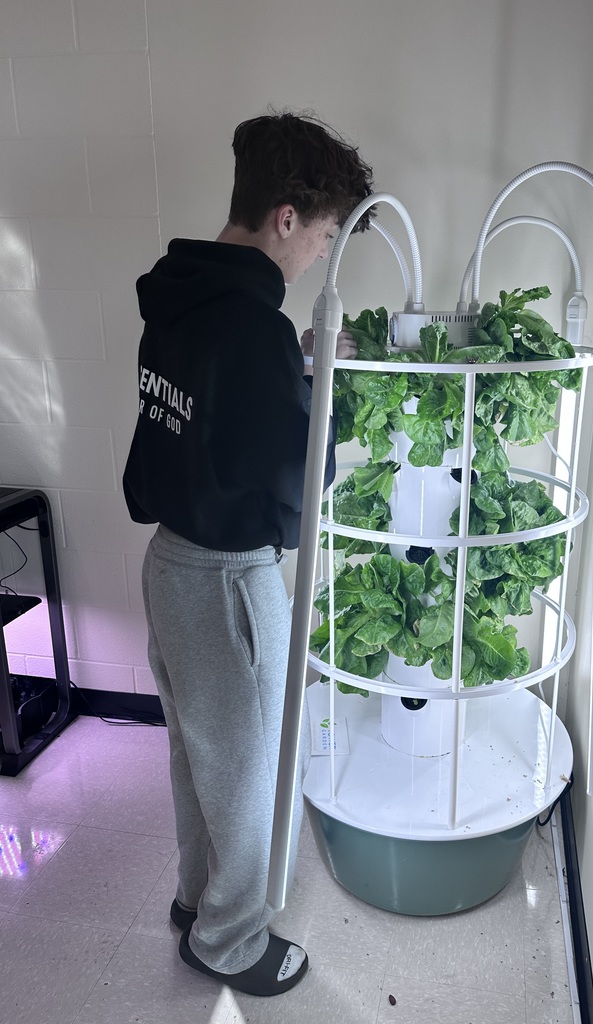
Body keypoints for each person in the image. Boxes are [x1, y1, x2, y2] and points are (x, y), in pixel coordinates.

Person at [122, 111, 374, 997]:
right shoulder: (258, 327)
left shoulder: (175, 293)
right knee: (251, 771)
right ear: (286, 217)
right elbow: (297, 495)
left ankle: (197, 899)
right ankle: (228, 942)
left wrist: (290, 378)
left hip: (167, 563)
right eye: (328, 233)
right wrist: (326, 393)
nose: (321, 255)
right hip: (228, 582)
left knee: (197, 754)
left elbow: (191, 434)